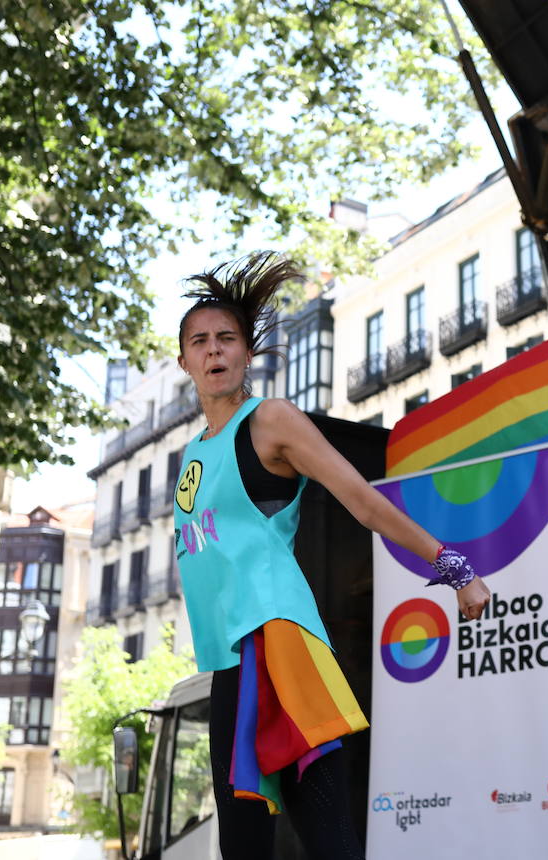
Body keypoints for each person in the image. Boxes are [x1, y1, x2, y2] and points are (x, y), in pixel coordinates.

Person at [171, 252, 491, 859]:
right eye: (201, 342)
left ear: (246, 353)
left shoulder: (269, 421)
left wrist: (454, 568)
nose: (215, 351)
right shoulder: (192, 452)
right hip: (231, 660)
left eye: (227, 339)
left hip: (280, 644)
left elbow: (361, 500)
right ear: (183, 358)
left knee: (328, 842)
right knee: (242, 847)